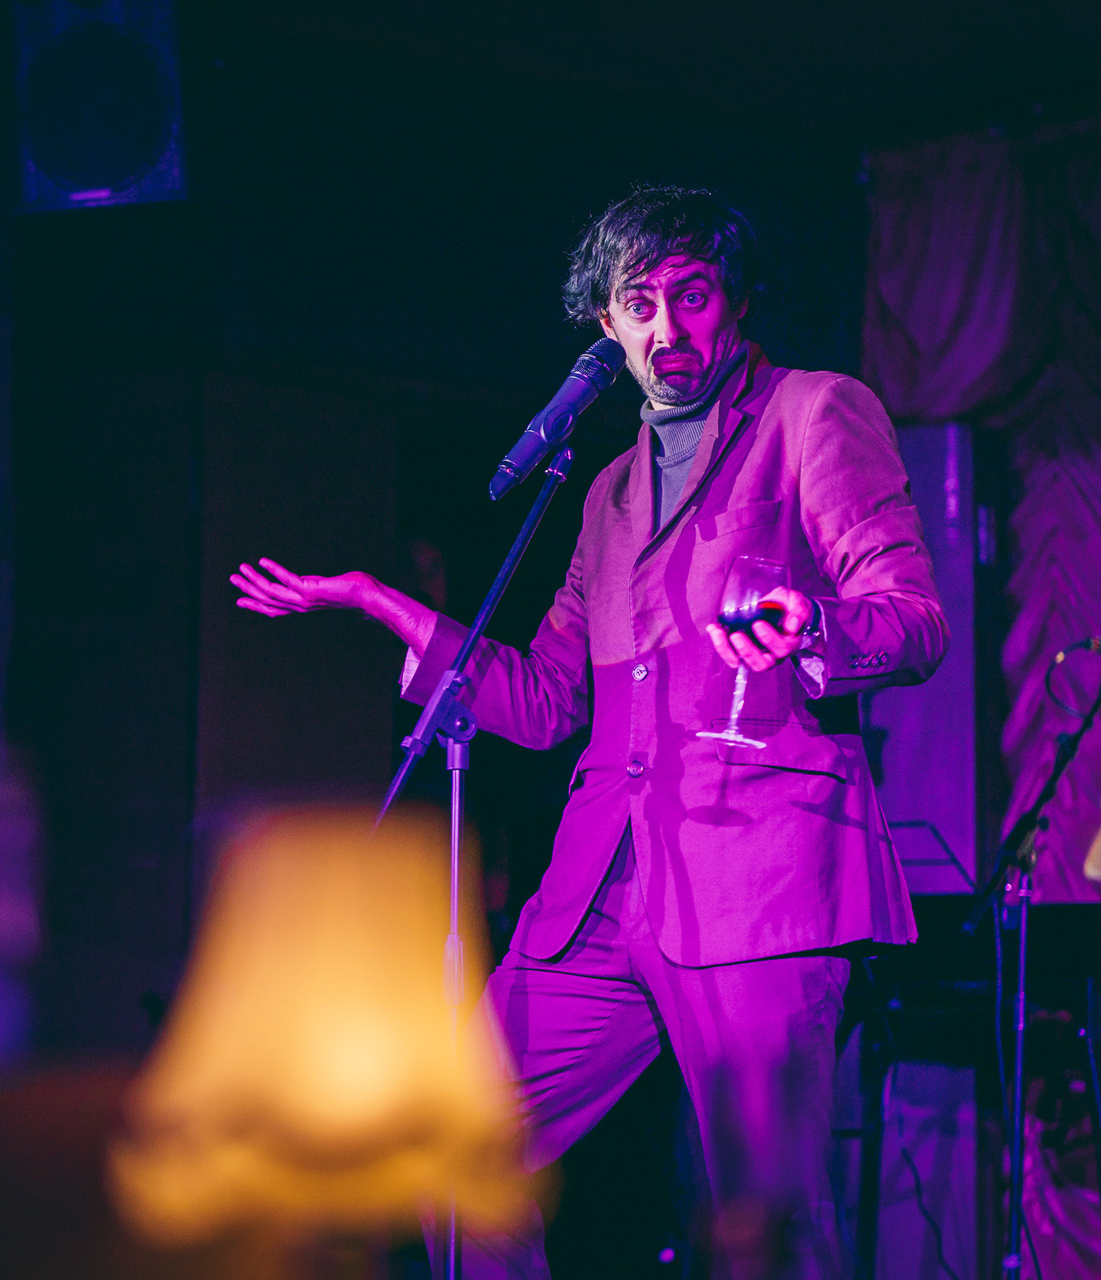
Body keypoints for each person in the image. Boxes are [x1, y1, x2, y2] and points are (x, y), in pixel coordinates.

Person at [231, 186, 946, 1278]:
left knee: (767, 1223)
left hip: (760, 883)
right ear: (606, 325)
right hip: (605, 891)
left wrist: (813, 627)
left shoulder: (812, 413)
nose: (669, 327)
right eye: (640, 304)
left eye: (693, 295)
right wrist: (386, 605)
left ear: (734, 302)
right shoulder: (607, 491)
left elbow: (913, 619)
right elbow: (546, 700)